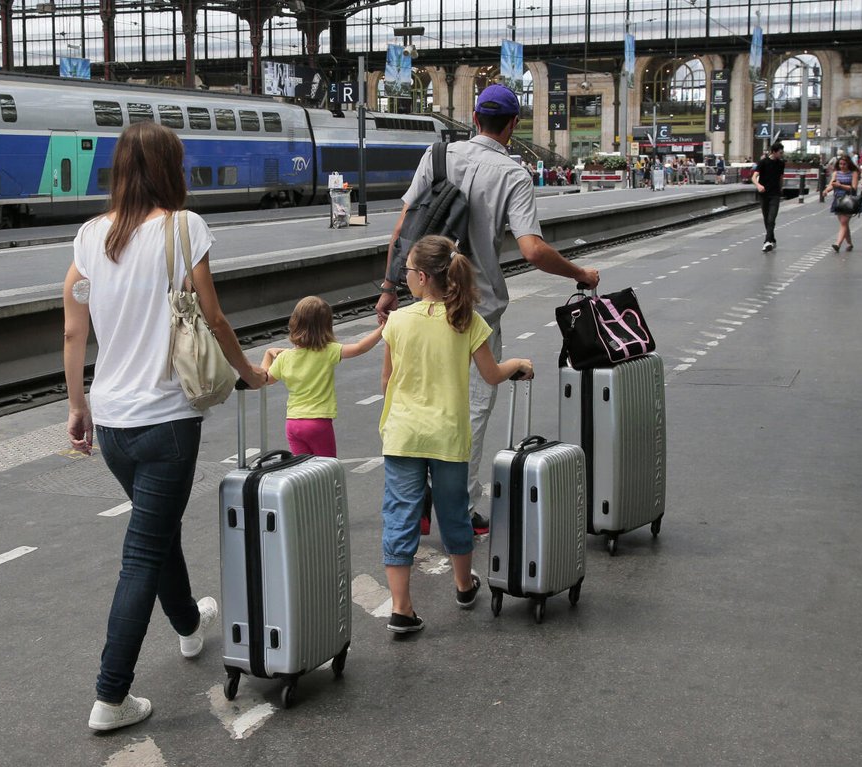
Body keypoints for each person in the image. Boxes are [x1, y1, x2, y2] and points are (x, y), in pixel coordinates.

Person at [62, 121, 267, 732]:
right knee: (143, 552)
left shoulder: (88, 237)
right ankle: (111, 695)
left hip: (115, 428)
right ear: (169, 170)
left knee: (156, 532)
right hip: (169, 421)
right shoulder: (186, 228)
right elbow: (214, 316)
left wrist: (78, 405)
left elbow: (74, 330)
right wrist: (248, 373)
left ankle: (186, 625)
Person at [375, 83, 599, 536]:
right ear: (513, 126)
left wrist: (388, 286)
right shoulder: (513, 175)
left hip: (420, 298)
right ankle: (459, 506)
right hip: (473, 310)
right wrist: (580, 274)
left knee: (413, 398)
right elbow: (532, 250)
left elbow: (403, 227)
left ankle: (415, 500)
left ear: (475, 118)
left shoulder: (437, 156)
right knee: (470, 409)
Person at [378, 235, 535, 634]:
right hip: (447, 436)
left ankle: (401, 607)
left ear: (423, 278)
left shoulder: (397, 322)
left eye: (408, 272)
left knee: (400, 515)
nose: (405, 278)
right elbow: (491, 375)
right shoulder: (467, 320)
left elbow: (387, 382)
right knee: (454, 513)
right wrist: (517, 362)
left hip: (403, 435)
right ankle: (464, 586)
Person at [260, 295, 384, 458]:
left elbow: (265, 379)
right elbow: (360, 347)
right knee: (326, 470)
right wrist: (383, 328)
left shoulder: (284, 357)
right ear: (326, 326)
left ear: (294, 323)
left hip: (293, 423)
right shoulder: (327, 351)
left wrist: (268, 354)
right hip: (318, 422)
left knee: (303, 472)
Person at [752, 142, 786, 251]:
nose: (782, 154)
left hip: (775, 194)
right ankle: (772, 239)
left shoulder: (781, 164)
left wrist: (781, 188)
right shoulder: (763, 162)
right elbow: (754, 177)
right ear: (774, 152)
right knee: (767, 218)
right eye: (780, 152)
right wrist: (758, 185)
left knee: (772, 218)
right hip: (764, 194)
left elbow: (781, 177)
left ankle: (767, 241)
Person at [825, 156, 860, 252]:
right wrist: (826, 190)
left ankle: (838, 243)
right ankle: (849, 243)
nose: (842, 166)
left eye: (844, 164)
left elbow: (854, 188)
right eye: (840, 164)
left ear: (849, 164)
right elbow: (832, 185)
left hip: (849, 200)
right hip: (838, 199)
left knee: (844, 222)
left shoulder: (853, 173)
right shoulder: (836, 173)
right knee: (844, 224)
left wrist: (840, 185)